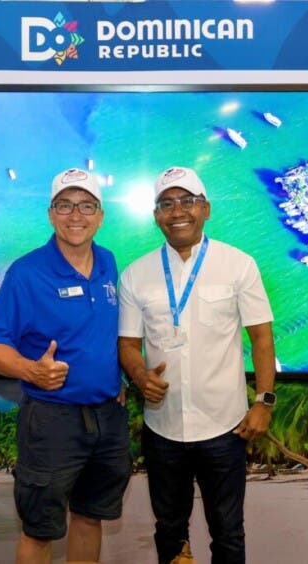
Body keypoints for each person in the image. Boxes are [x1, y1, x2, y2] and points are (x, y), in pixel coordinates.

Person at [118, 166, 276, 564]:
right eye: (167, 204)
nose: (177, 211)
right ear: (156, 216)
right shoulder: (135, 274)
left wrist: (264, 402)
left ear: (206, 208)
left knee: (228, 532)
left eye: (187, 201)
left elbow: (262, 338)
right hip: (162, 428)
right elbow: (128, 344)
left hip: (225, 427)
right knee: (169, 530)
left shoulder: (239, 265)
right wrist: (139, 375)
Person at [0, 167, 130, 564]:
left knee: (90, 517)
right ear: (51, 214)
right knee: (39, 530)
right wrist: (31, 370)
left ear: (100, 216)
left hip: (108, 417)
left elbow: (104, 331)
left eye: (86, 206)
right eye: (65, 205)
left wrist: (118, 374)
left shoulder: (108, 262)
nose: (75, 215)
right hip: (52, 421)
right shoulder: (26, 272)